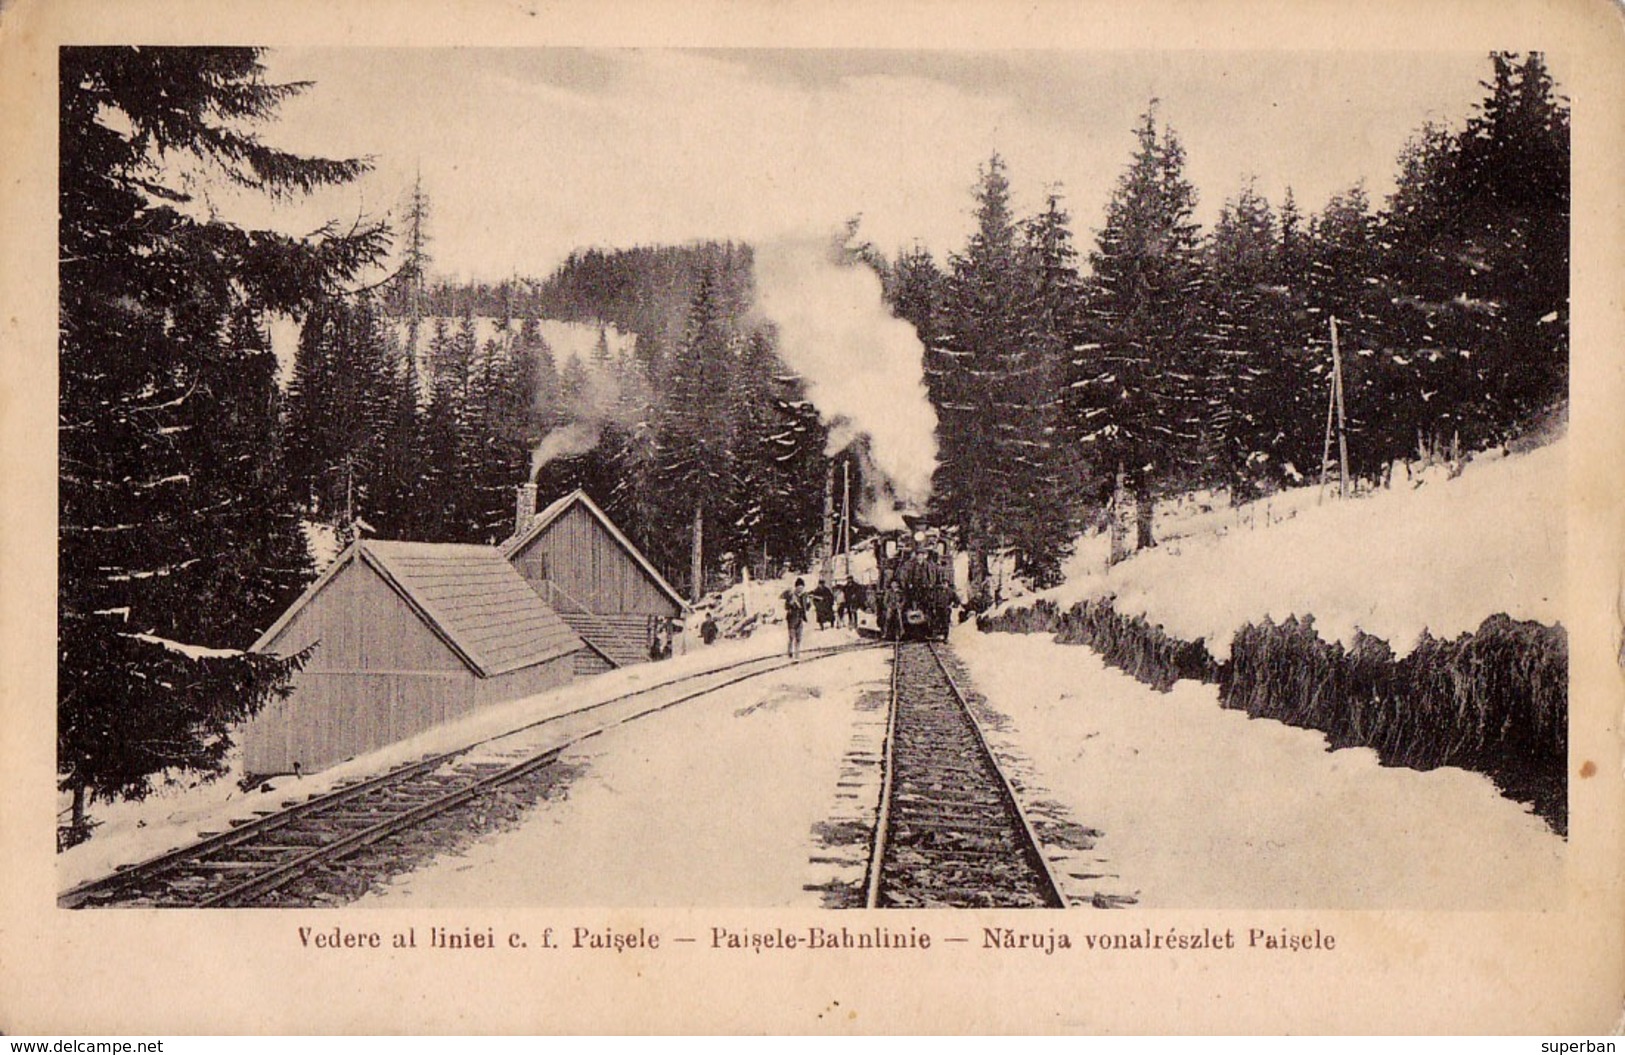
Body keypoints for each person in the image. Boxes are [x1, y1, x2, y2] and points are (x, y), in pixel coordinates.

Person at [783, 578, 810, 660]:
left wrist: (808, 604)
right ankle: (790, 651)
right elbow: (786, 607)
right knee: (791, 637)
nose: (800, 589)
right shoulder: (791, 595)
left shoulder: (805, 596)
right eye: (799, 587)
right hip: (791, 619)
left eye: (802, 587)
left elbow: (807, 607)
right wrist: (790, 604)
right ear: (796, 587)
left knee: (799, 637)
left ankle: (797, 653)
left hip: (800, 618)